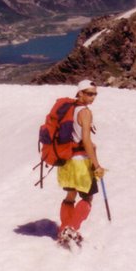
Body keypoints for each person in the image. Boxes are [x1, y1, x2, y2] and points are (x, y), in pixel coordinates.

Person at [56, 79, 106, 246]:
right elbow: (85, 140)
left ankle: (64, 228)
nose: (93, 97)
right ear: (80, 93)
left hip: (66, 161)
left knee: (70, 195)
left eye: (95, 94)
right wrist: (97, 165)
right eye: (89, 93)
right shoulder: (85, 112)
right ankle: (72, 228)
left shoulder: (69, 108)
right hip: (80, 162)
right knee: (87, 196)